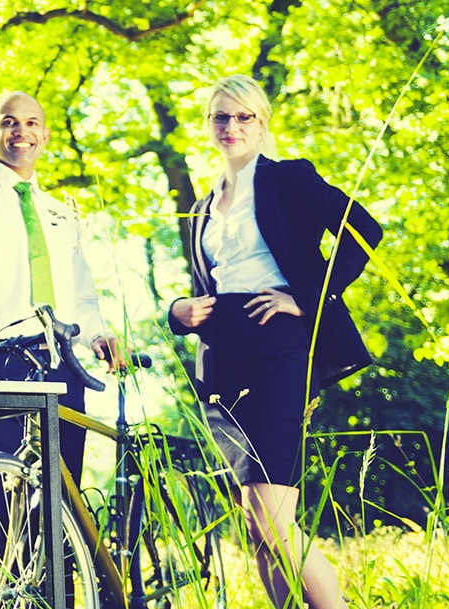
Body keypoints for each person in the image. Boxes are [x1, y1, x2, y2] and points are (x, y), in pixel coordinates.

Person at [167, 74, 381, 609]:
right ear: (209, 126)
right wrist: (178, 312)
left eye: (244, 117)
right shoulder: (200, 207)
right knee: (257, 527)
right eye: (221, 117)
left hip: (278, 348)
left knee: (272, 519)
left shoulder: (289, 180)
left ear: (262, 123)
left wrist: (306, 298)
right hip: (223, 359)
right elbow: (204, 289)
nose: (232, 126)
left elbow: (365, 230)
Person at [0, 90, 123, 606]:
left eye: (32, 122)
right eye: (9, 122)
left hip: (63, 362)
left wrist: (100, 332)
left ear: (45, 135)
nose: (22, 131)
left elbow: (82, 290)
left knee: (61, 504)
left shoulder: (62, 212)